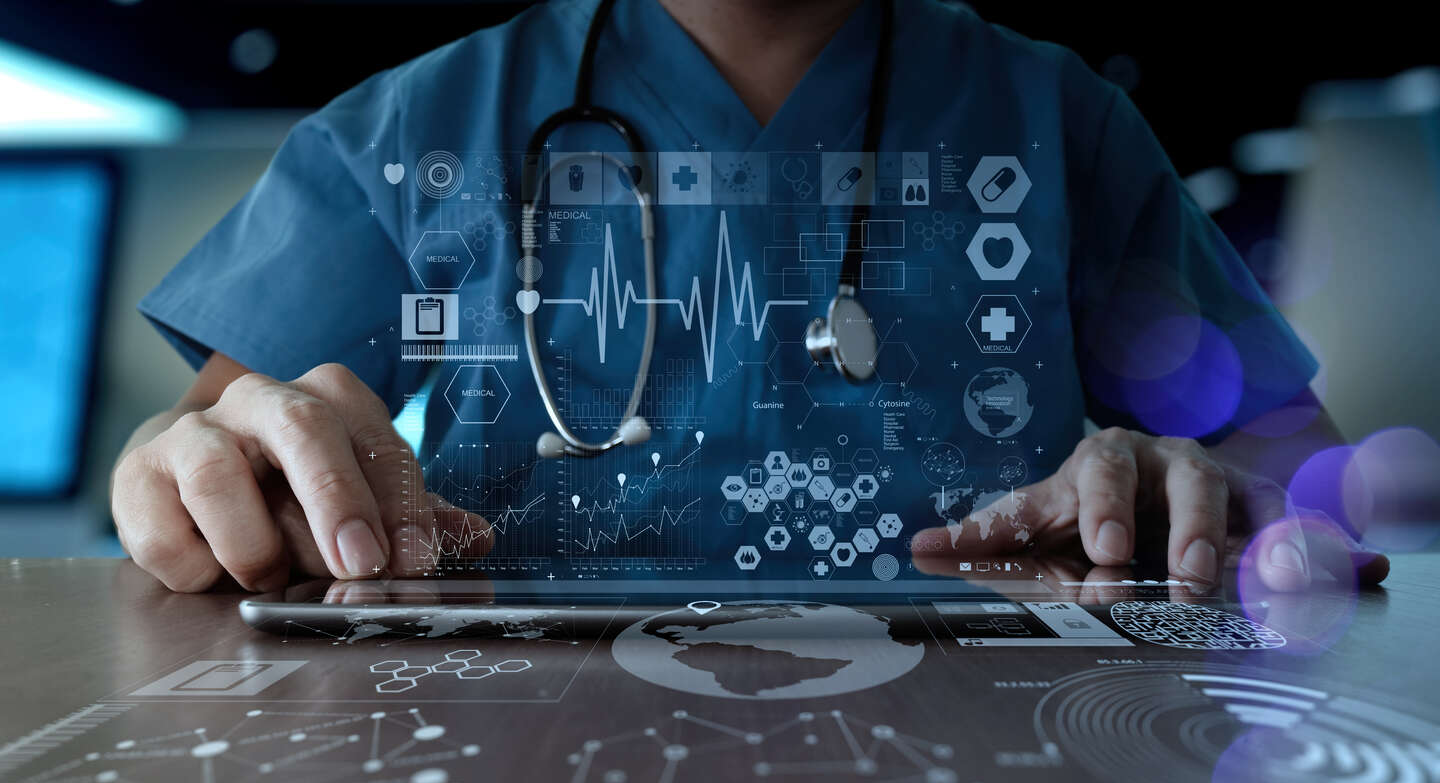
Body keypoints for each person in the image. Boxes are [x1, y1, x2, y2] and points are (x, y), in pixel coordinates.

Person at [111, 0, 1387, 593]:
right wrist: (197, 462)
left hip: (1012, 778)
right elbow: (223, 455)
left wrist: (1201, 488)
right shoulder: (422, 122)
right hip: (520, 772)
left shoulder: (1054, 120)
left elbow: (1319, 494)